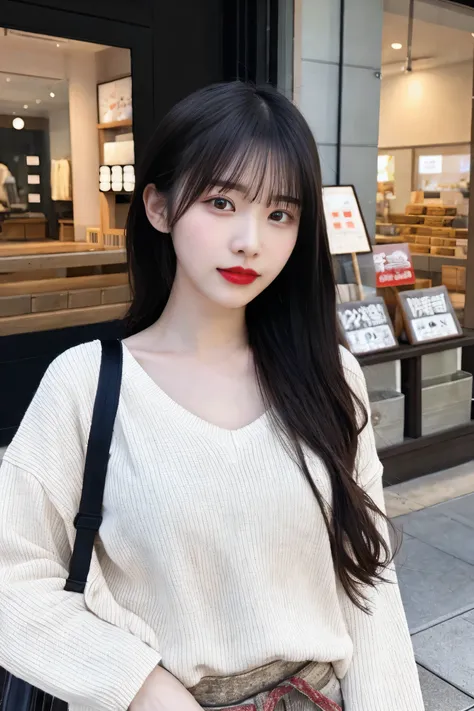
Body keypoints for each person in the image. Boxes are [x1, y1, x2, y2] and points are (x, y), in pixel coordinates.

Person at [0, 82, 424, 711]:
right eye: (222, 202)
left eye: (279, 214)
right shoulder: (86, 384)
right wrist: (141, 685)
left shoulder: (328, 374)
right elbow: (12, 574)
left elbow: (368, 582)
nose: (251, 240)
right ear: (158, 207)